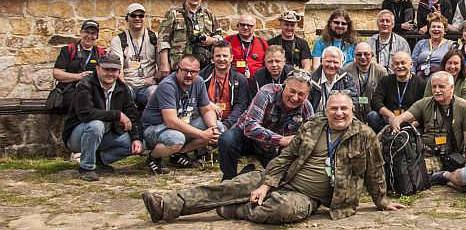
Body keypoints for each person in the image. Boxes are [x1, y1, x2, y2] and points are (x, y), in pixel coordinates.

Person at [142, 92, 402, 223]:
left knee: (281, 209)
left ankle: (233, 209)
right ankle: (166, 206)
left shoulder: (365, 135)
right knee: (226, 187)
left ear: (352, 110)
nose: (339, 113)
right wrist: (266, 184)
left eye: (344, 108)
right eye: (333, 108)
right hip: (282, 179)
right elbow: (287, 157)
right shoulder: (312, 127)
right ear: (326, 110)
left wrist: (381, 200)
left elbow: (375, 170)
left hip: (308, 197)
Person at [218, 69, 315, 181]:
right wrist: (280, 139)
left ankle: (250, 176)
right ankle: (229, 180)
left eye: (301, 94)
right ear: (284, 86)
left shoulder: (307, 107)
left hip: (274, 151)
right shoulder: (267, 92)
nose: (295, 98)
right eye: (292, 91)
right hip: (249, 139)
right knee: (227, 139)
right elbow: (250, 126)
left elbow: (310, 136)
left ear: (307, 95)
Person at [63, 52, 143, 181]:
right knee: (96, 125)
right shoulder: (85, 85)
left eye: (114, 70)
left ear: (119, 71)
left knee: (137, 145)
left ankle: (99, 160)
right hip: (78, 136)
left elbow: (131, 115)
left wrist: (136, 138)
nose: (110, 74)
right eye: (107, 69)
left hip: (106, 133)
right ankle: (86, 168)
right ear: (98, 68)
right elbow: (86, 113)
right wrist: (117, 115)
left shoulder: (123, 89)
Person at [140, 54, 225, 174]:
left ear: (198, 72)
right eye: (185, 71)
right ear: (178, 69)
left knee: (219, 128)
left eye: (194, 72)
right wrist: (202, 135)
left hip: (183, 123)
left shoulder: (199, 82)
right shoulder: (167, 85)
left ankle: (178, 154)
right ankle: (153, 157)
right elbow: (171, 121)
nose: (189, 75)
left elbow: (206, 110)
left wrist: (212, 128)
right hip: (156, 128)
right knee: (176, 139)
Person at [389, 71, 466, 174]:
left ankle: (443, 176)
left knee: (413, 170)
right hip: (426, 151)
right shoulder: (425, 103)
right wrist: (396, 124)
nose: (437, 90)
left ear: (452, 88)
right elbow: (400, 118)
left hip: (450, 155)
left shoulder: (464, 107)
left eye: (441, 87)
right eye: (434, 87)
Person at [158, 0, 223, 73]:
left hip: (203, 67)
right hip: (178, 66)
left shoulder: (209, 15)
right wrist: (164, 64)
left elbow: (219, 37)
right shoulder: (173, 14)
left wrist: (210, 40)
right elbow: (163, 40)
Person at [108, 3, 162, 109]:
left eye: (141, 16)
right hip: (128, 83)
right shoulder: (118, 40)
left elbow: (163, 66)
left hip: (148, 85)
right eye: (133, 16)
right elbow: (118, 68)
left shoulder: (154, 38)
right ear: (127, 18)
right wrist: (124, 84)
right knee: (124, 94)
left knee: (156, 94)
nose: (137, 18)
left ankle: (152, 123)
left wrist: (155, 78)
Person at [52, 19, 105, 114]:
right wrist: (79, 76)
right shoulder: (68, 50)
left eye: (93, 33)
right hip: (70, 92)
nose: (89, 36)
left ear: (97, 36)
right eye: (86, 32)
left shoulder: (101, 53)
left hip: (92, 92)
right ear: (80, 33)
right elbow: (57, 73)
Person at [367, 51, 425, 132]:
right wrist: (391, 116)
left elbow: (424, 108)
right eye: (396, 64)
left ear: (411, 64)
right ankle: (381, 142)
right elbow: (375, 101)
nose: (400, 66)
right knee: (372, 116)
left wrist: (412, 123)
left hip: (411, 122)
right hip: (389, 119)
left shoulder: (421, 83)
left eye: (403, 63)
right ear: (392, 66)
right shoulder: (386, 80)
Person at [200, 41, 252, 130]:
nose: (221, 59)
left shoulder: (240, 79)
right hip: (205, 119)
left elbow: (241, 106)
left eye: (225, 56)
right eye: (218, 56)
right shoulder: (201, 77)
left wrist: (226, 125)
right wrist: (208, 104)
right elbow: (195, 99)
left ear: (231, 58)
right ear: (212, 58)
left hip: (231, 123)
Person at [343, 42, 387, 122]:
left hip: (374, 113)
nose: (363, 57)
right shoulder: (346, 71)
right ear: (354, 55)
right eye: (359, 54)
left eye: (366, 54)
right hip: (352, 113)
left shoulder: (381, 71)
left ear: (372, 55)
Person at [308, 47, 357, 114]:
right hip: (316, 120)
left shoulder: (347, 79)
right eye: (328, 61)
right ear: (321, 61)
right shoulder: (311, 81)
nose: (331, 65)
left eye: (335, 62)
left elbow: (353, 101)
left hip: (339, 117)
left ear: (341, 63)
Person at [411, 13, 456, 79]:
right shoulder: (421, 43)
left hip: (441, 78)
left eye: (439, 27)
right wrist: (412, 77)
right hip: (420, 78)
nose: (436, 29)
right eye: (433, 27)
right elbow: (413, 63)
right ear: (429, 29)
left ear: (445, 30)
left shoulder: (451, 45)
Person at [226, 14, 268, 80]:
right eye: (242, 24)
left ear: (254, 27)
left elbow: (268, 63)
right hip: (234, 83)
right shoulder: (228, 41)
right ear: (238, 26)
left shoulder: (262, 43)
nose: (245, 27)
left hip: (257, 84)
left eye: (249, 25)